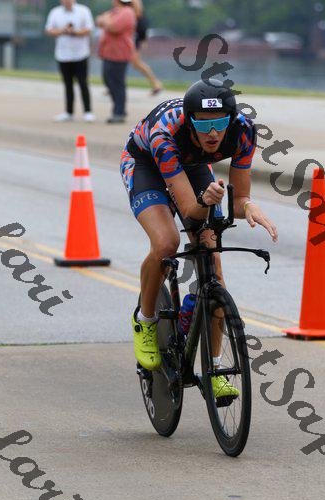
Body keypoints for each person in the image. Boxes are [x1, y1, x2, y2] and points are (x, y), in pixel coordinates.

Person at [120, 78, 278, 399]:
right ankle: (145, 320)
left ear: (231, 119)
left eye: (220, 123)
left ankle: (215, 368)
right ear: (190, 120)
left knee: (213, 262)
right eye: (203, 124)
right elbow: (191, 212)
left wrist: (248, 205)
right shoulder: (165, 135)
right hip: (146, 163)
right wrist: (205, 200)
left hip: (192, 165)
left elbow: (238, 199)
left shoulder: (244, 131)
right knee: (167, 243)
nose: (213, 133)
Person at [45, 0, 95, 122]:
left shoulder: (83, 10)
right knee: (67, 84)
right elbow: (49, 30)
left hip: (80, 54)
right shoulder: (55, 12)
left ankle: (88, 111)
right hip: (63, 54)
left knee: (83, 83)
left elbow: (89, 29)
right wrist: (63, 31)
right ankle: (69, 112)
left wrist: (75, 32)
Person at [96, 0, 137, 124]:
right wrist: (105, 20)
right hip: (108, 53)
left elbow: (113, 27)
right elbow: (98, 21)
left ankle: (119, 112)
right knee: (108, 80)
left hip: (120, 53)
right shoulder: (115, 12)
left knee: (118, 83)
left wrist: (105, 19)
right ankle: (118, 110)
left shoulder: (127, 12)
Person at [130, 0, 162, 95]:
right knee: (131, 62)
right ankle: (113, 84)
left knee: (135, 62)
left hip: (136, 33)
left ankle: (156, 83)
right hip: (136, 32)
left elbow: (138, 12)